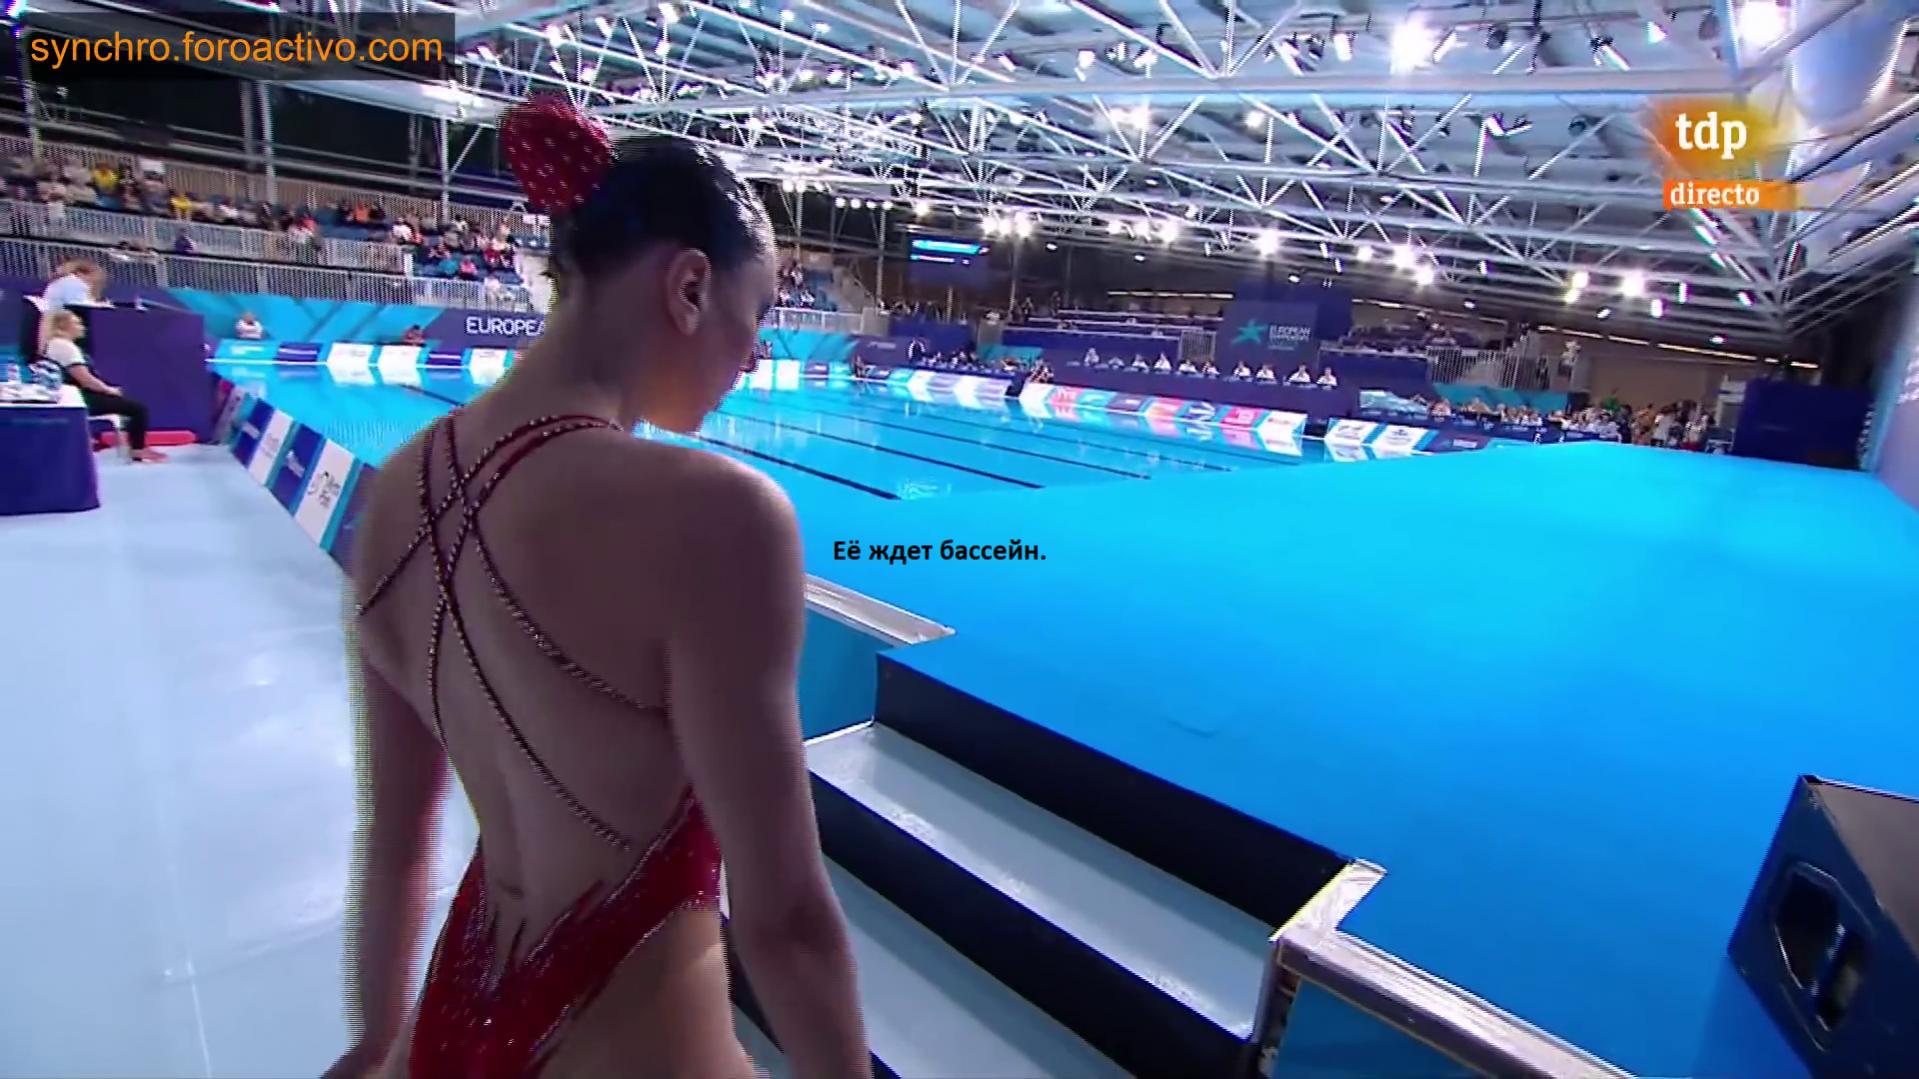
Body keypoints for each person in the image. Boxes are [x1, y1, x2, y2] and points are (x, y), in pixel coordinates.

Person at [328, 98, 867, 1079]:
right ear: (689, 286)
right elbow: (784, 919)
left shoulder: (396, 489)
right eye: (755, 318)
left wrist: (374, 1044)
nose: (752, 358)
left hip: (443, 1034)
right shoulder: (717, 514)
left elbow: (397, 840)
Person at [35, 310, 166, 462]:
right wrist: (109, 390)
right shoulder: (65, 347)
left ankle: (137, 447)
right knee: (138, 408)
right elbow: (86, 380)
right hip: (81, 398)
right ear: (63, 326)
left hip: (70, 395)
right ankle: (138, 450)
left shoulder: (53, 344)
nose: (82, 327)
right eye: (77, 323)